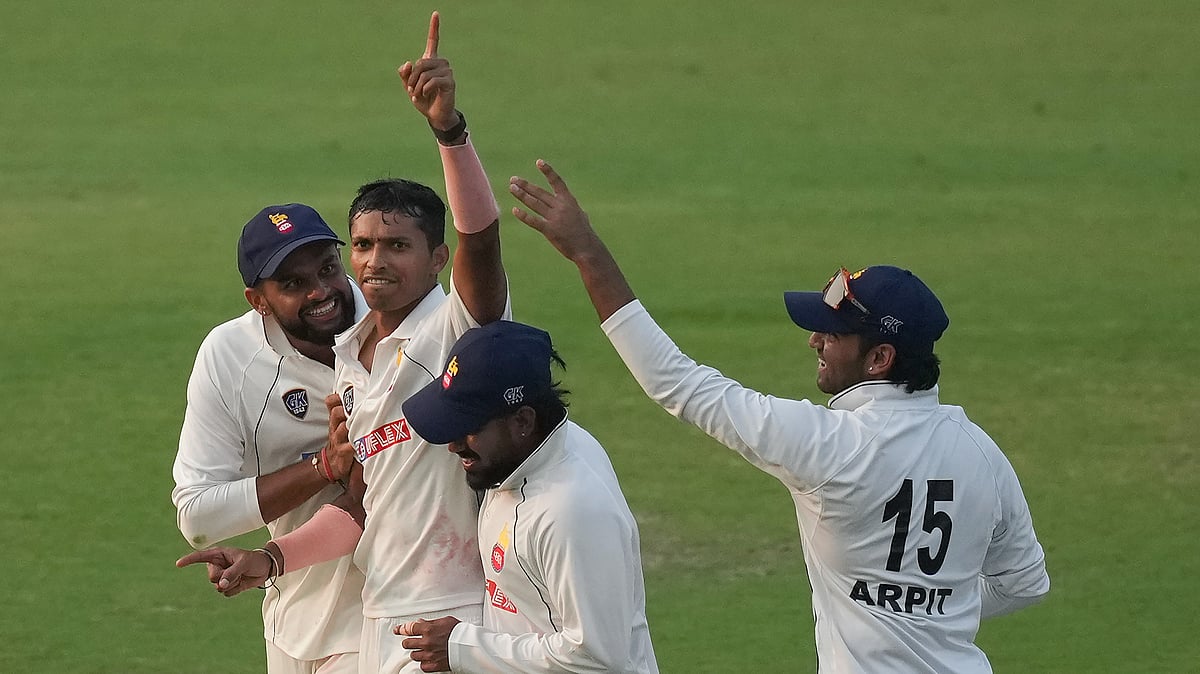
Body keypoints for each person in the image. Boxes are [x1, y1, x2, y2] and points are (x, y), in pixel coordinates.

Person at [507, 160, 1051, 673]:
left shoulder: (831, 447)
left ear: (879, 359)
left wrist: (588, 254)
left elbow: (676, 383)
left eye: (833, 334)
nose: (814, 339)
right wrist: (933, 610)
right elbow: (1025, 583)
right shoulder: (983, 452)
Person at [178, 12, 510, 674]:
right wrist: (271, 554)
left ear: (437, 257)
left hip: (444, 619)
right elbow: (362, 501)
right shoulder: (355, 359)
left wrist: (449, 132)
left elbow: (482, 242)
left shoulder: (454, 328)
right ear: (258, 300)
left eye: (330, 264)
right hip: (321, 619)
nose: (340, 281)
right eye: (362, 248)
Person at [392, 320, 659, 673]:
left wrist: (461, 649)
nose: (453, 444)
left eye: (469, 427)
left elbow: (596, 655)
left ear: (523, 421)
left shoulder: (570, 511)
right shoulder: (520, 460)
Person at [172, 201, 368, 674]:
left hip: (386, 615)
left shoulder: (396, 330)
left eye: (327, 268)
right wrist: (322, 467)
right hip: (293, 611)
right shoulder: (231, 356)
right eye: (293, 283)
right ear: (257, 300)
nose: (321, 291)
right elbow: (197, 517)